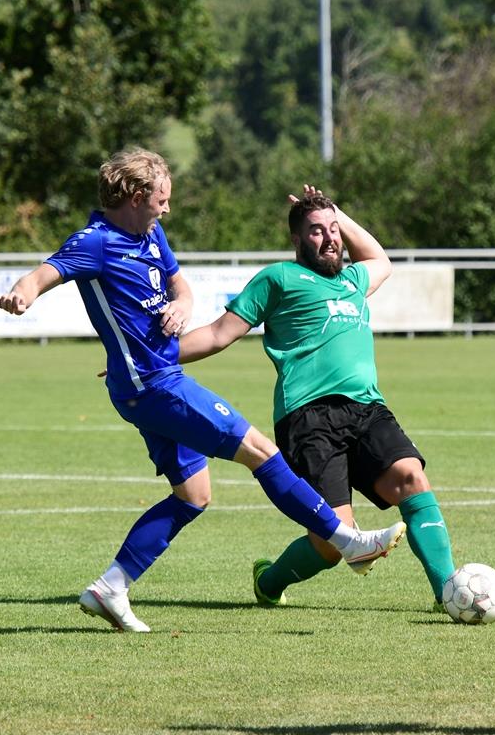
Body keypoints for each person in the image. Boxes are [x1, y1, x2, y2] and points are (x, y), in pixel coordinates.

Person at [0, 149, 406, 633]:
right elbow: (43, 273)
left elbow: (181, 287)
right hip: (155, 386)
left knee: (193, 494)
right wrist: (21, 294)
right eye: (161, 200)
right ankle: (345, 539)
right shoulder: (96, 242)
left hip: (147, 383)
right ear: (133, 196)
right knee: (260, 450)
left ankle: (112, 587)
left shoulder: (151, 233)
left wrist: (181, 306)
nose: (167, 209)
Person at [180, 186, 455, 611]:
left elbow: (380, 259)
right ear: (296, 240)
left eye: (333, 231)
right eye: (316, 231)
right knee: (333, 541)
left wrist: (336, 213)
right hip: (307, 418)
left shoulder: (353, 281)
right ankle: (269, 581)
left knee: (412, 479)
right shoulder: (279, 279)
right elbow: (218, 334)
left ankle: (448, 592)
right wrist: (145, 359)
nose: (329, 239)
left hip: (367, 409)